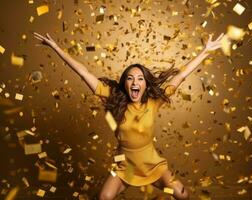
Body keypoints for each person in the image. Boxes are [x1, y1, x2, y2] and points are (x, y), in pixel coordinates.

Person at [34, 32, 224, 200]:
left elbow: (181, 76)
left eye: (140, 78)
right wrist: (56, 47)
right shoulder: (113, 97)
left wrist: (205, 51)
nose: (135, 82)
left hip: (152, 164)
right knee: (104, 197)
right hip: (126, 166)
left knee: (183, 195)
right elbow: (83, 73)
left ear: (145, 84)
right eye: (130, 78)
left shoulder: (153, 101)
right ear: (125, 83)